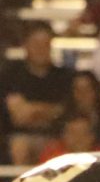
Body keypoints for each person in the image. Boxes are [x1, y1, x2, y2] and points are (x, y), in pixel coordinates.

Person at [1, 22, 72, 166]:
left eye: (45, 44)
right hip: (18, 137)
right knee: (20, 147)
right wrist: (48, 111)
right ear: (25, 45)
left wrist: (33, 109)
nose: (41, 49)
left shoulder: (64, 77)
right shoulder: (11, 74)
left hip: (55, 136)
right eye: (36, 44)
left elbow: (63, 112)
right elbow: (19, 116)